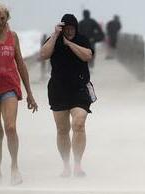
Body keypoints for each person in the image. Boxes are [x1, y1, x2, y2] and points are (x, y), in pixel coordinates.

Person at [0, 3, 38, 185]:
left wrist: (30, 93)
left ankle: (15, 167)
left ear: (7, 18)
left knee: (10, 127)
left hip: (9, 86)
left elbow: (21, 64)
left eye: (2, 18)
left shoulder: (13, 37)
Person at [40, 14, 94, 178]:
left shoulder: (82, 39)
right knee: (62, 129)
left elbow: (88, 55)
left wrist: (69, 43)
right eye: (66, 28)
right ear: (62, 28)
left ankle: (77, 165)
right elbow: (43, 54)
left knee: (79, 123)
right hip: (58, 90)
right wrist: (56, 35)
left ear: (76, 28)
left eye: (72, 28)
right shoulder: (54, 39)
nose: (69, 31)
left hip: (79, 89)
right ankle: (66, 166)